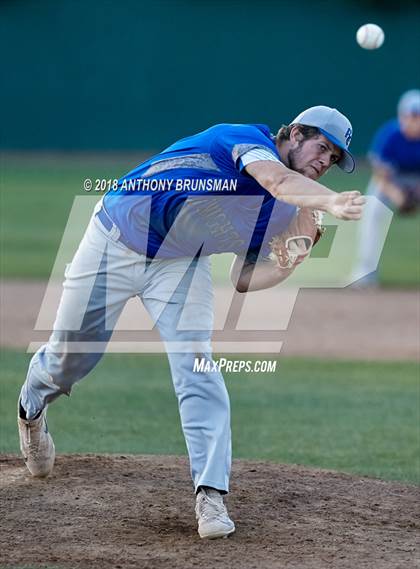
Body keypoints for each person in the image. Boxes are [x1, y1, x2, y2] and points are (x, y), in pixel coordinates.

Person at [18, 105, 364, 539]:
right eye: (322, 147)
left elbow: (243, 279)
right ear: (294, 134)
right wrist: (331, 201)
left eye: (333, 158)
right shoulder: (243, 141)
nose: (324, 161)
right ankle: (32, 406)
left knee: (197, 364)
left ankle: (211, 495)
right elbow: (276, 178)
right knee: (70, 358)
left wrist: (293, 260)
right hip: (115, 238)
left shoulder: (279, 211)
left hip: (180, 263)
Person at [353, 89, 420, 286]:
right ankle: (365, 272)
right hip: (393, 181)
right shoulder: (390, 134)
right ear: (402, 116)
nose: (415, 121)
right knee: (372, 209)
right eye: (412, 115)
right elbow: (381, 176)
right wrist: (398, 196)